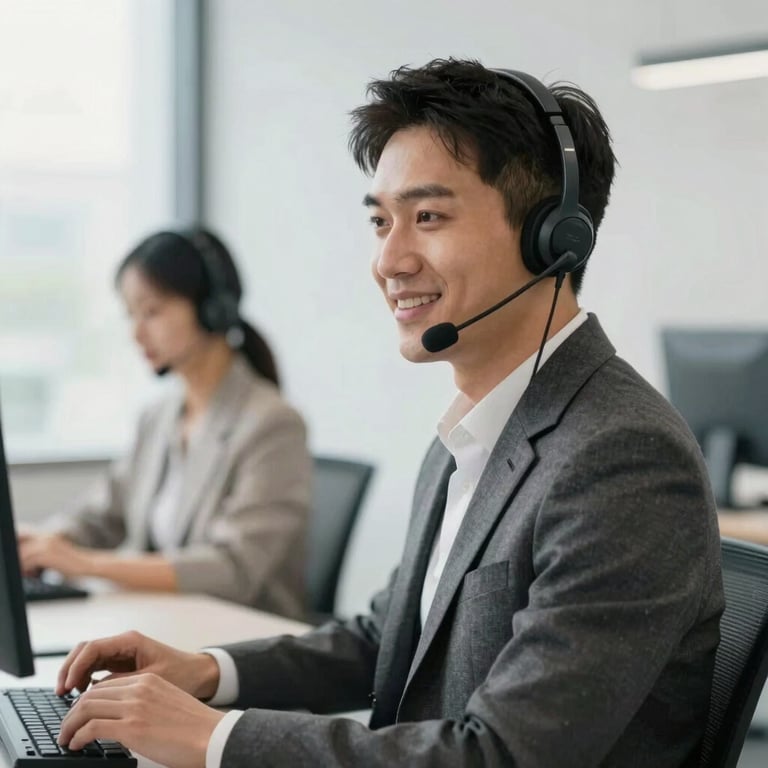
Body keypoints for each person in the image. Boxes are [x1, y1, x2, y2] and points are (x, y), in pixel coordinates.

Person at [54, 60, 723, 767]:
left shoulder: (621, 457)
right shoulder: (472, 432)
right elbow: (388, 637)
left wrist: (213, 737)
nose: (388, 260)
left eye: (427, 217)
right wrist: (209, 671)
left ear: (553, 239)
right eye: (381, 221)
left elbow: (501, 755)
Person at [18, 228, 312, 617]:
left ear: (212, 308)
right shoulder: (158, 418)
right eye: (131, 315)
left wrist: (84, 564)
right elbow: (105, 514)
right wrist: (42, 541)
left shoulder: (272, 424)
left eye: (152, 312)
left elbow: (234, 569)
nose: (136, 333)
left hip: (244, 638)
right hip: (167, 623)